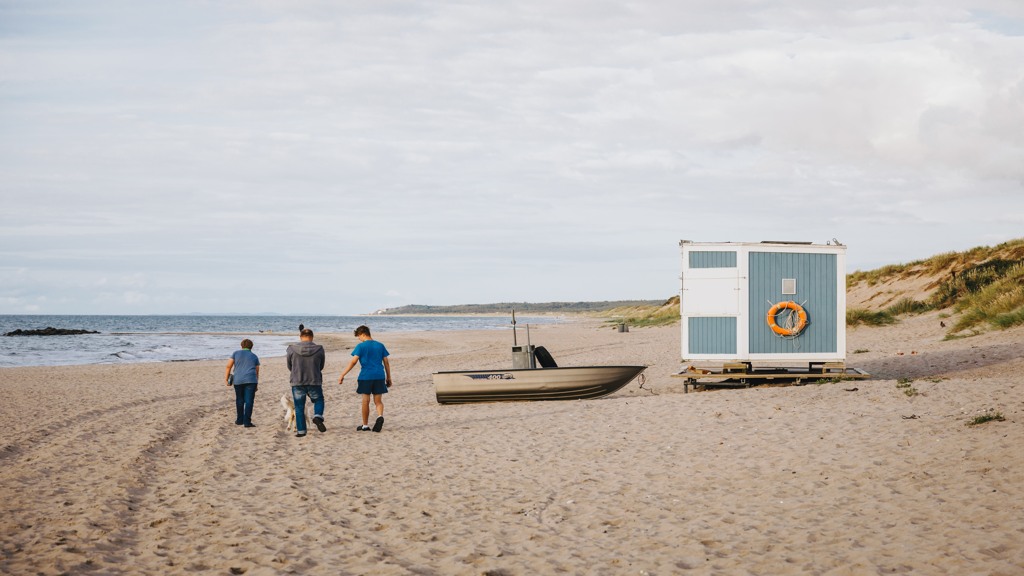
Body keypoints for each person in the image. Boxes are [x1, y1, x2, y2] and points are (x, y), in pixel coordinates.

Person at [338, 325, 392, 432]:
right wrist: (388, 377)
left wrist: (342, 374)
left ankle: (365, 425)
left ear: (363, 334)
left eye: (358, 336)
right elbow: (386, 362)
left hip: (366, 376)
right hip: (379, 376)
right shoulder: (380, 345)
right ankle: (380, 416)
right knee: (378, 401)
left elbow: (353, 362)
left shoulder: (361, 346)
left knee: (365, 401)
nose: (359, 339)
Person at [286, 328, 327, 437]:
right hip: (314, 380)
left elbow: (289, 366)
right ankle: (317, 416)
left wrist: (296, 371)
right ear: (312, 337)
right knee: (318, 400)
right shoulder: (319, 349)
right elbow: (321, 365)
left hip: (297, 380)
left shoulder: (291, 349)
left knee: (299, 406)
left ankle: (301, 431)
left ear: (300, 337)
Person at [225, 339, 260, 427]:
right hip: (251, 380)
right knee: (249, 401)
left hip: (238, 380)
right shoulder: (254, 356)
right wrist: (256, 384)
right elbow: (257, 372)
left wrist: (227, 379)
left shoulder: (235, 353)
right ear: (251, 347)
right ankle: (247, 422)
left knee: (239, 400)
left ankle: (239, 420)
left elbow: (228, 366)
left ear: (241, 346)